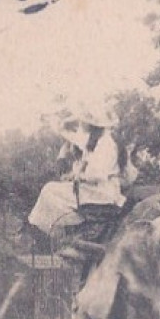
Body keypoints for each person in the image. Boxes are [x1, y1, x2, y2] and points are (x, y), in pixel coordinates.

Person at [26, 105, 134, 255]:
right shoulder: (96, 141)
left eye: (85, 122)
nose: (82, 125)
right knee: (52, 189)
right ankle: (66, 232)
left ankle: (70, 231)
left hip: (102, 193)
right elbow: (67, 133)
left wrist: (78, 176)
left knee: (50, 190)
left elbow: (97, 174)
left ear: (92, 125)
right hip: (96, 189)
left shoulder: (106, 145)